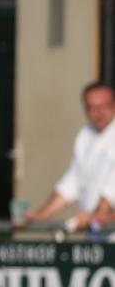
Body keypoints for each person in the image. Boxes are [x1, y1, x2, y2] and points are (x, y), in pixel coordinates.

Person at [24, 82, 115, 230]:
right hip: (96, 230)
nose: (98, 112)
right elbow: (71, 183)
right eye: (92, 108)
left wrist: (98, 216)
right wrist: (39, 216)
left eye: (104, 106)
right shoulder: (85, 135)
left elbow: (110, 191)